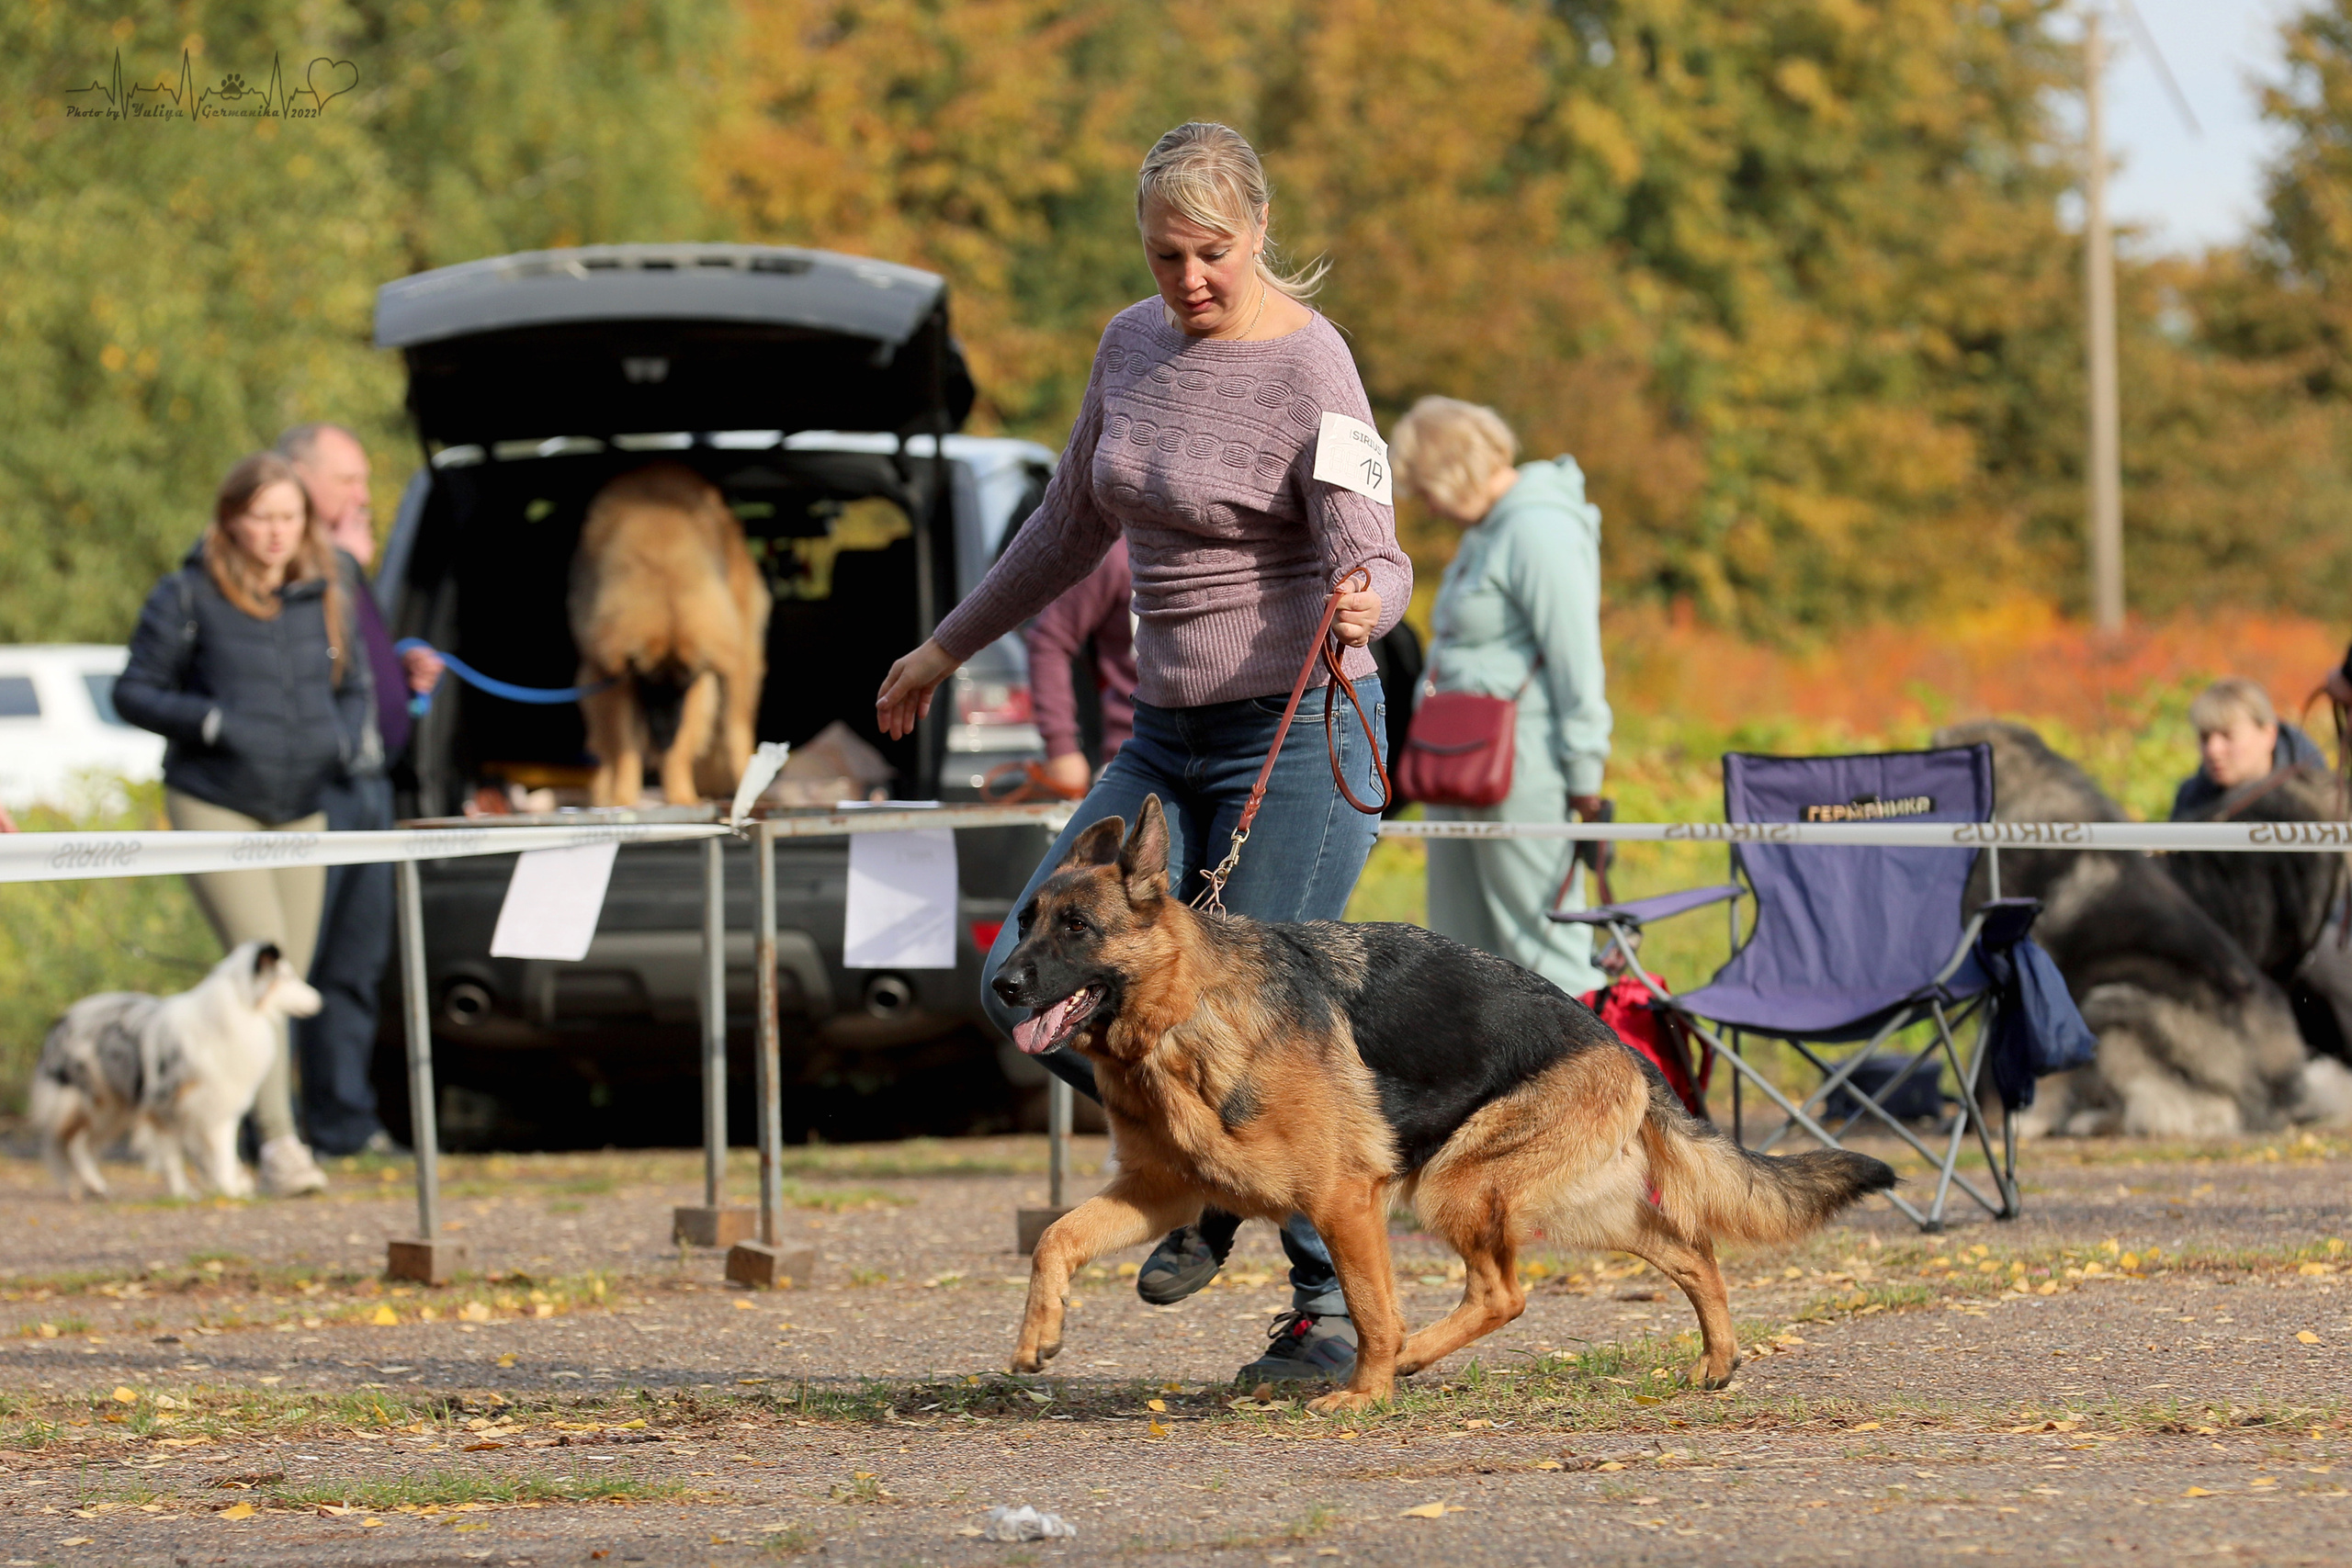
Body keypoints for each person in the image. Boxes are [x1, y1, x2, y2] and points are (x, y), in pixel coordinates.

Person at [876, 121, 1410, 1386]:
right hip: (1165, 735)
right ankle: (1190, 1180)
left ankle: (1325, 1315)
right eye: (1167, 256)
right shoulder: (1130, 345)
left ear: (1260, 230)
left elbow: (1374, 545)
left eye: (1211, 252)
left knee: (1272, 1032)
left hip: (1299, 723)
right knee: (1031, 970)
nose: (1190, 281)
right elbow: (1064, 525)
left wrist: (1365, 606)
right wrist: (944, 650)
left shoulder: (1313, 366)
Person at [115, 452, 375, 1197]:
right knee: (257, 976)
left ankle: (203, 1120)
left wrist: (343, 735)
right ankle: (282, 1142)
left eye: (288, 517)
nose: (274, 532)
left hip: (303, 801)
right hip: (216, 797)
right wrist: (210, 719)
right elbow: (134, 690)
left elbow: (349, 678)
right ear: (231, 519)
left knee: (288, 975)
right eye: (260, 516)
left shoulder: (328, 594)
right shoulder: (188, 593)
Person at [1388, 397, 1612, 995]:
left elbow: (1577, 659)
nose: (1428, 505)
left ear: (1451, 468)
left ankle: (1585, 1082)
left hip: (1522, 765)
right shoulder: (1489, 530)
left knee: (1544, 950)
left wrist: (1585, 770)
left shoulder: (1540, 526)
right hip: (1461, 765)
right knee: (1467, 951)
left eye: (1425, 487)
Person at [277, 423, 444, 1157]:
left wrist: (402, 675)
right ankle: (275, 1126)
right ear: (300, 476)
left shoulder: (345, 564)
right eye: (348, 479)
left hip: (373, 788)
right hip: (319, 791)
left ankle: (344, 1123)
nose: (361, 495)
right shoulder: (288, 565)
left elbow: (352, 666)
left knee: (354, 961)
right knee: (294, 962)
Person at [1024, 536, 1136, 795]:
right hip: (1134, 760)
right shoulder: (1119, 553)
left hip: (1234, 759)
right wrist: (1061, 747)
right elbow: (1050, 639)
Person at [2169, 677, 2325, 821]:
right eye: (2205, 738)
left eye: (2227, 735)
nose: (2213, 750)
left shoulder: (2318, 802)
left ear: (2268, 735)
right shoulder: (2191, 800)